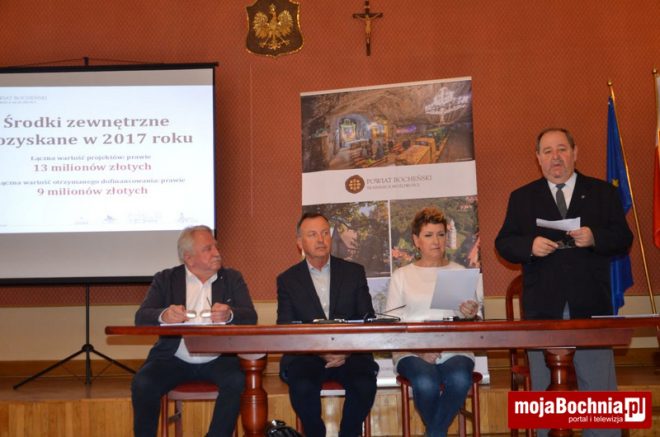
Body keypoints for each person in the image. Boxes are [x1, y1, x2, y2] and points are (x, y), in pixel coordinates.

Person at [495, 128, 633, 437]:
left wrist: (595, 237)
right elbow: (504, 243)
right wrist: (529, 246)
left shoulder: (602, 192)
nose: (555, 157)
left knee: (599, 395)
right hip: (543, 308)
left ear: (575, 152)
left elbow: (623, 238)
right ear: (538, 158)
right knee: (545, 398)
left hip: (591, 305)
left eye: (561, 149)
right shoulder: (522, 197)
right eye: (547, 151)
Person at [131, 225, 258, 437]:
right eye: (208, 249)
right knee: (143, 383)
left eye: (216, 247)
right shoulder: (166, 279)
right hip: (173, 357)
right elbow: (141, 317)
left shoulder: (232, 278)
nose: (217, 253)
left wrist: (229, 314)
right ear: (189, 258)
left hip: (220, 358)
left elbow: (250, 316)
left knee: (238, 381)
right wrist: (164, 315)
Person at [276, 212, 379, 437]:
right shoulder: (288, 280)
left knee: (364, 384)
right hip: (307, 354)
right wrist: (321, 351)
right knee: (302, 386)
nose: (321, 239)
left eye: (325, 233)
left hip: (351, 352)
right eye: (312, 234)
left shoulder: (354, 272)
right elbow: (286, 327)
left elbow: (367, 319)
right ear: (300, 242)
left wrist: (345, 350)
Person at [385, 207, 482, 437]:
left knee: (459, 379)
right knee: (425, 383)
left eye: (441, 234)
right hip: (411, 350)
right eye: (428, 235)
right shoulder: (402, 276)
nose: (436, 241)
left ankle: (434, 433)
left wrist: (470, 313)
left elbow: (475, 322)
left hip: (454, 348)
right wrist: (420, 349)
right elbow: (391, 325)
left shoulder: (459, 272)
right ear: (416, 240)